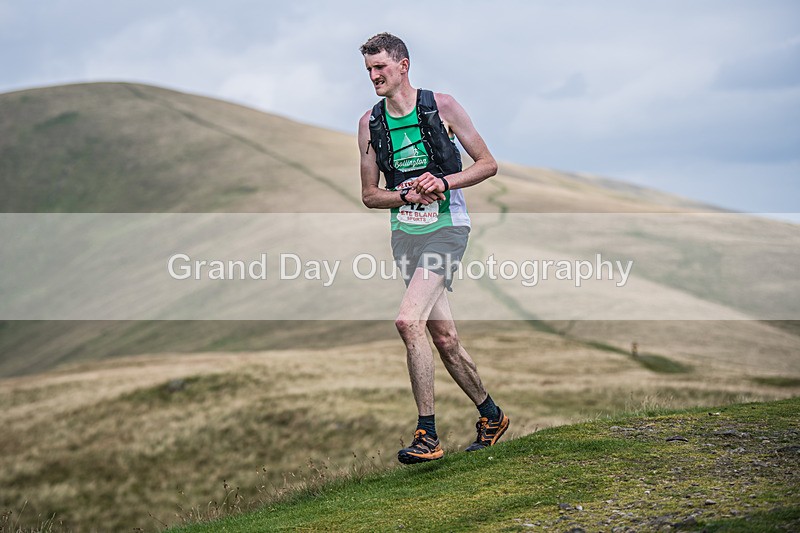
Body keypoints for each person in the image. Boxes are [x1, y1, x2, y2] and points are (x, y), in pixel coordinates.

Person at [357, 32, 509, 464]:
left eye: (380, 67)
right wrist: (404, 195)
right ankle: (492, 416)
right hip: (405, 235)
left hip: (447, 228)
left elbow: (487, 164)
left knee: (408, 322)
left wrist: (442, 182)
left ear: (403, 65)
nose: (374, 76)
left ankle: (427, 435)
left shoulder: (441, 106)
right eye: (368, 69)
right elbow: (369, 195)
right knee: (444, 337)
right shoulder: (369, 123)